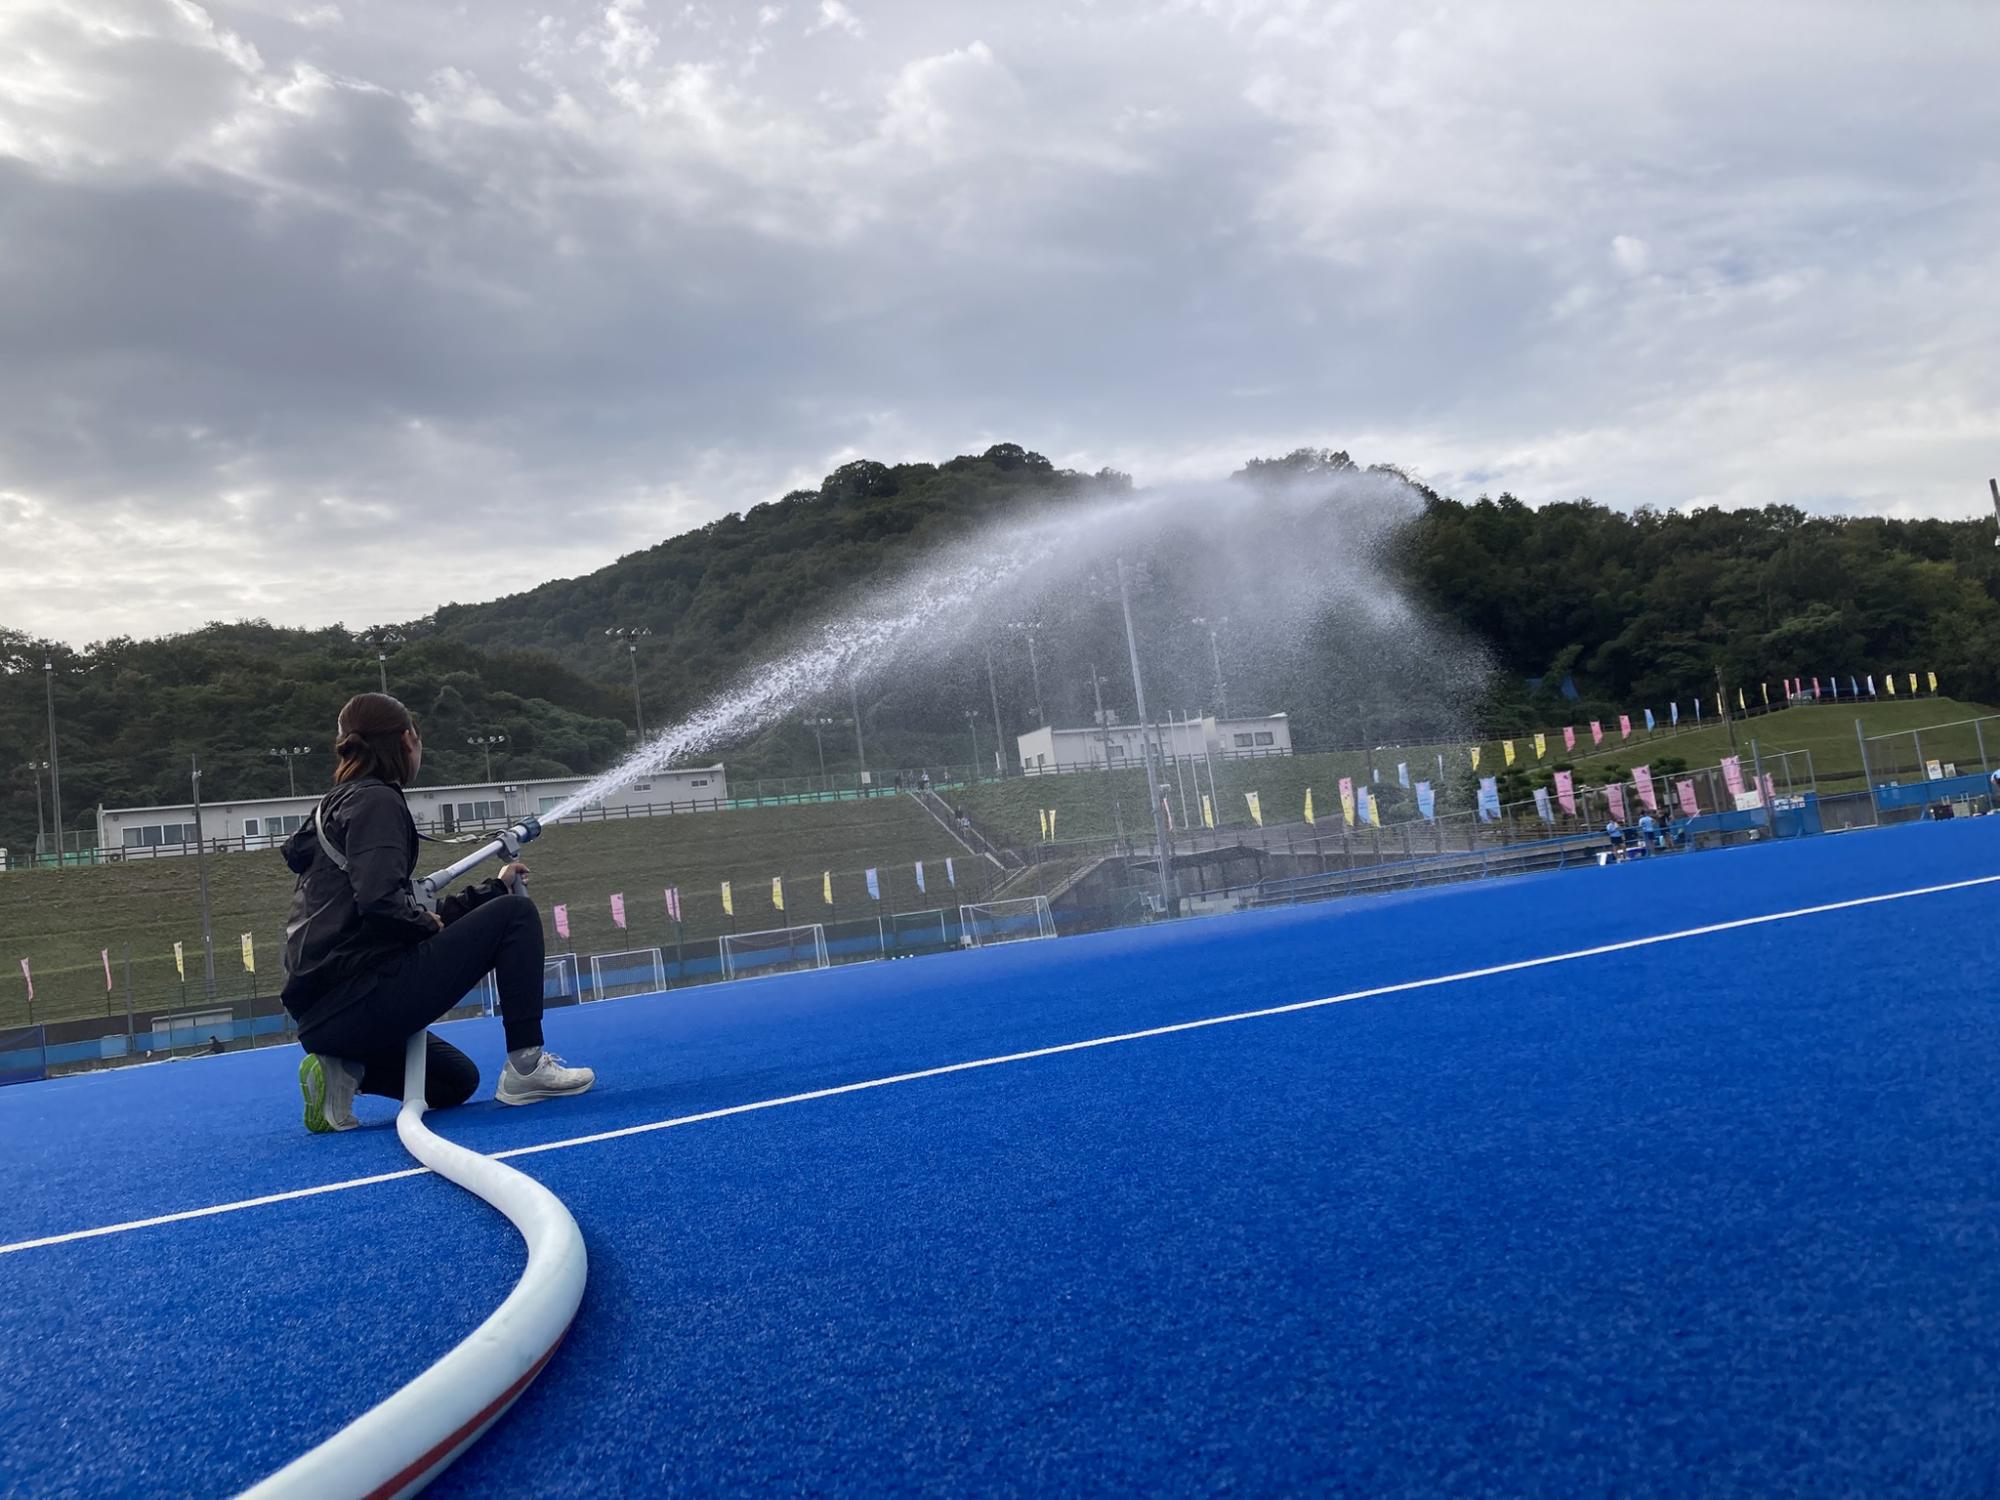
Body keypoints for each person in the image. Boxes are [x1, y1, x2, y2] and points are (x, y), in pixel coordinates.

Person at [281, 693, 594, 1134]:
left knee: (454, 1082)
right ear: (408, 740)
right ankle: (526, 1067)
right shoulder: (377, 802)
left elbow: (397, 907)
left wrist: (490, 889)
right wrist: (431, 922)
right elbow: (383, 906)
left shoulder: (337, 806)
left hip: (326, 1020)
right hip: (359, 994)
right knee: (515, 916)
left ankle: (345, 1070)